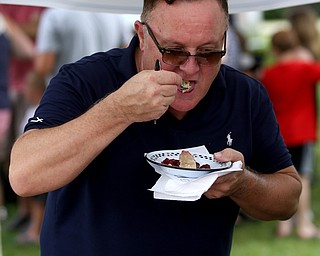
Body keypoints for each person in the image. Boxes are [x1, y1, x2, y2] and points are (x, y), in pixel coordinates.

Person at [9, 1, 301, 255]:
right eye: (173, 52)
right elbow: (24, 176)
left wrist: (242, 183)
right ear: (142, 35)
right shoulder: (85, 79)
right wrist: (118, 110)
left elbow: (288, 198)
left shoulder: (244, 94)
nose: (190, 68)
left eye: (209, 53)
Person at [260, 29, 320, 239]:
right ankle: (304, 225)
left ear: (274, 49)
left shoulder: (269, 73)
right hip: (302, 132)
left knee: (282, 177)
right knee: (302, 178)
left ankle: (283, 225)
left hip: (279, 132)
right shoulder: (304, 68)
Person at [34, 8, 132, 83]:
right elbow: (127, 56)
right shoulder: (114, 14)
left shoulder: (54, 15)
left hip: (68, 95)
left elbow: (43, 66)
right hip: (106, 93)